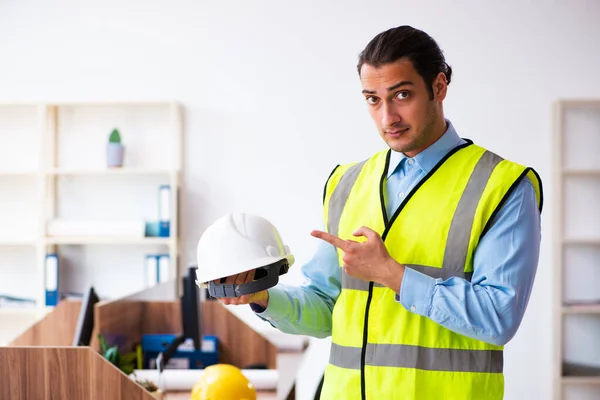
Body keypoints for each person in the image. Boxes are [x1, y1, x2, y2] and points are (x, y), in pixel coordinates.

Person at [218, 25, 543, 400]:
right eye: (373, 99)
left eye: (401, 95)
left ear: (438, 88)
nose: (388, 117)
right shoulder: (346, 183)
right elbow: (326, 307)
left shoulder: (503, 186)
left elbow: (498, 317)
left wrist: (393, 275)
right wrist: (261, 296)